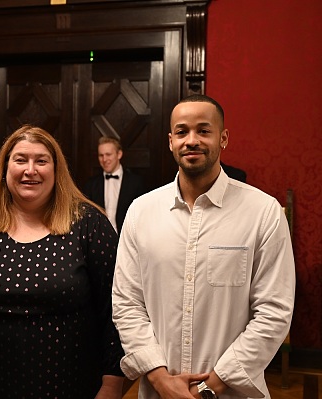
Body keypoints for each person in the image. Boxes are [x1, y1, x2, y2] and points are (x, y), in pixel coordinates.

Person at [112, 94, 295, 399]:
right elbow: (126, 303)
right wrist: (160, 379)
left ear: (223, 138)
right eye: (182, 132)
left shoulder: (263, 212)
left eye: (204, 131)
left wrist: (211, 388)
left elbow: (274, 312)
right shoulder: (141, 212)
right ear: (171, 141)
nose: (192, 140)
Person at [0, 125, 126, 399]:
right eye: (21, 159)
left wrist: (111, 386)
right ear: (4, 168)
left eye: (41, 160)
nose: (30, 170)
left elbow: (114, 311)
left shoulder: (89, 225)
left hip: (73, 387)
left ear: (56, 169)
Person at [83, 137, 144, 234]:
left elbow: (142, 216)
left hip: (127, 239)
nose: (104, 159)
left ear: (119, 154)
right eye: (101, 155)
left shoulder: (136, 183)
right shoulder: (91, 185)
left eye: (108, 154)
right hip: (98, 241)